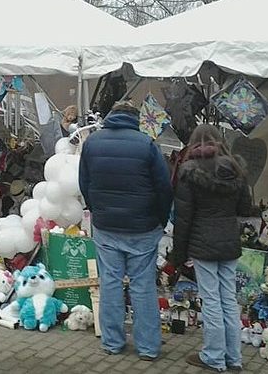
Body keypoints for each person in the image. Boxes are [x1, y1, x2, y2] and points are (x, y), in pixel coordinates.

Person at [79, 100, 173, 361]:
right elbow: (164, 188)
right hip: (143, 227)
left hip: (107, 226)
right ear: (137, 119)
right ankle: (148, 347)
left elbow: (84, 182)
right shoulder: (147, 144)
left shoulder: (92, 142)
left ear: (111, 116)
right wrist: (161, 220)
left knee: (109, 283)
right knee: (143, 286)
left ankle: (112, 342)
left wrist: (96, 209)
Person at [172, 124, 252, 372]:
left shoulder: (188, 172)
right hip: (229, 242)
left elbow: (183, 218)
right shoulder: (236, 169)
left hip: (202, 243)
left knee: (211, 300)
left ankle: (214, 357)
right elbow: (245, 209)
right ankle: (234, 358)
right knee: (228, 299)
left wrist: (179, 254)